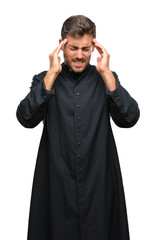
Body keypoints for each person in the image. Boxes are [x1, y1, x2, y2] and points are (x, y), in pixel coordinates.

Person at [16, 15, 139, 240]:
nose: (80, 55)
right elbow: (26, 118)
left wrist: (107, 74)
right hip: (57, 185)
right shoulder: (43, 79)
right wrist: (52, 73)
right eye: (73, 48)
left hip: (99, 185)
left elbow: (129, 118)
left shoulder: (106, 78)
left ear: (94, 46)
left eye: (86, 48)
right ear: (61, 44)